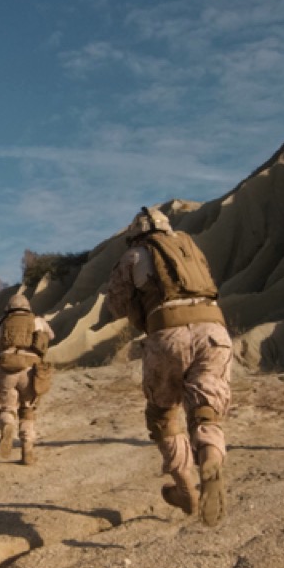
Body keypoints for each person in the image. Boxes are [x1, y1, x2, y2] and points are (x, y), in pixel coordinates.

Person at [105, 206, 231, 527]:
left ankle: (185, 487)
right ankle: (211, 459)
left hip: (167, 333)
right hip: (214, 330)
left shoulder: (133, 256)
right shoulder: (190, 246)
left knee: (163, 415)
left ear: (136, 234)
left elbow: (117, 305)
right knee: (206, 408)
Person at [0, 291, 53, 465]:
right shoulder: (37, 320)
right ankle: (27, 451)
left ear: (8, 309)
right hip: (30, 370)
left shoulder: (1, 322)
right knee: (27, 410)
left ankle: (7, 424)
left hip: (7, 368)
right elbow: (51, 336)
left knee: (6, 407)